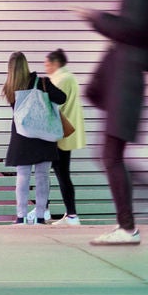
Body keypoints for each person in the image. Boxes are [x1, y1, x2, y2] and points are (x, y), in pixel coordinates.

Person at [80, 0, 148, 246]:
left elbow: (132, 29)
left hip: (127, 84)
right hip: (124, 82)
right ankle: (133, 216)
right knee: (110, 155)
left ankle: (129, 225)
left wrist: (97, 18)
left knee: (110, 156)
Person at [2, 51, 66, 224]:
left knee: (22, 176)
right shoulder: (41, 82)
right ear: (26, 65)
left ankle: (21, 216)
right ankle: (39, 216)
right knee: (42, 176)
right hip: (43, 134)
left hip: (22, 136)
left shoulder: (10, 86)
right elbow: (62, 98)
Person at [45, 49, 84, 225]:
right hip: (63, 135)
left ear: (55, 63)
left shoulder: (61, 79)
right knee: (56, 173)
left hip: (57, 135)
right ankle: (67, 214)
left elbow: (51, 104)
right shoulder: (69, 77)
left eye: (47, 64)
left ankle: (69, 215)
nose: (45, 67)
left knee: (56, 174)